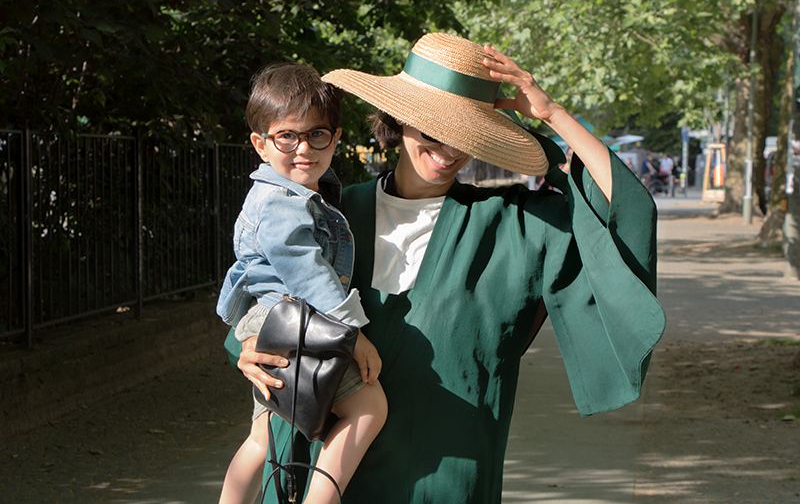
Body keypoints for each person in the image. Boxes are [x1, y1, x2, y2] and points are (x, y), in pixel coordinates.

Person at [229, 33, 665, 503]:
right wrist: (248, 344)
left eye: (466, 134)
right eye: (433, 130)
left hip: (448, 480)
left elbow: (625, 212)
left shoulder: (518, 224)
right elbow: (260, 290)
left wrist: (551, 115)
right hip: (316, 471)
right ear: (398, 121)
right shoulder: (329, 215)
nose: (449, 149)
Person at [216, 64, 387, 504]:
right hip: (291, 316)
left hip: (276, 316)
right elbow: (310, 275)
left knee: (265, 434)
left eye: (317, 135)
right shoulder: (282, 204)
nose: (303, 148)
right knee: (368, 406)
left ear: (336, 137)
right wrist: (355, 337)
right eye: (287, 136)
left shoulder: (302, 192)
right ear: (260, 143)